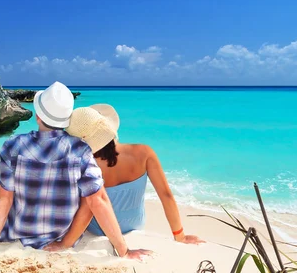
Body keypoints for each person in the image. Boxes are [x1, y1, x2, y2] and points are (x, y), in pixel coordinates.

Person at [0, 82, 152, 259]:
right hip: (59, 238)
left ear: (38, 116)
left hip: (19, 235)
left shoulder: (13, 145)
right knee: (90, 193)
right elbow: (98, 200)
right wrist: (124, 251)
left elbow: (2, 198)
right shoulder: (80, 150)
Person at [65, 104, 203, 244]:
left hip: (97, 229)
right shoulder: (144, 153)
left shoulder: (86, 164)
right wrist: (180, 235)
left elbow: (86, 207)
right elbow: (166, 196)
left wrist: (66, 243)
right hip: (135, 226)